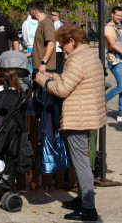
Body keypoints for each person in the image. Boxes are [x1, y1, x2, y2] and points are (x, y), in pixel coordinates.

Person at [35, 23, 106, 221]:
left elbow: (62, 90)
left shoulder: (76, 60)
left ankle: (88, 208)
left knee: (81, 162)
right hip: (88, 113)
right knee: (80, 160)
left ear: (72, 41)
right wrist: (55, 76)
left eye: (62, 44)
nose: (61, 48)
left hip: (79, 116)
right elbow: (74, 81)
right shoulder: (89, 55)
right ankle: (82, 199)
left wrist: (42, 79)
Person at [104, 6, 122, 122]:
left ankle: (121, 113)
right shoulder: (108, 28)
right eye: (117, 15)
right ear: (112, 15)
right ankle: (102, 102)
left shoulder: (120, 27)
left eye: (121, 15)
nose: (119, 17)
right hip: (115, 61)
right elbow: (113, 45)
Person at [28, 0, 56, 77]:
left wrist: (43, 63)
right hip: (38, 67)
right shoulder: (41, 23)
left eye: (30, 11)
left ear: (35, 11)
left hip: (43, 69)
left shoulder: (46, 23)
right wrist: (28, 55)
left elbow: (51, 44)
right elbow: (41, 47)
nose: (29, 13)